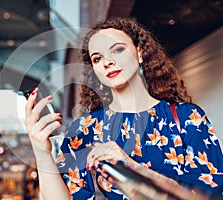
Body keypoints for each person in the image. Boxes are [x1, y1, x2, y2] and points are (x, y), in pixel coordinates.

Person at [25, 17, 223, 199]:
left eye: (118, 50)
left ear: (139, 53)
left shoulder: (187, 117)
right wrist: (42, 152)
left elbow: (207, 193)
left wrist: (130, 166)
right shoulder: (85, 130)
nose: (108, 62)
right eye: (97, 58)